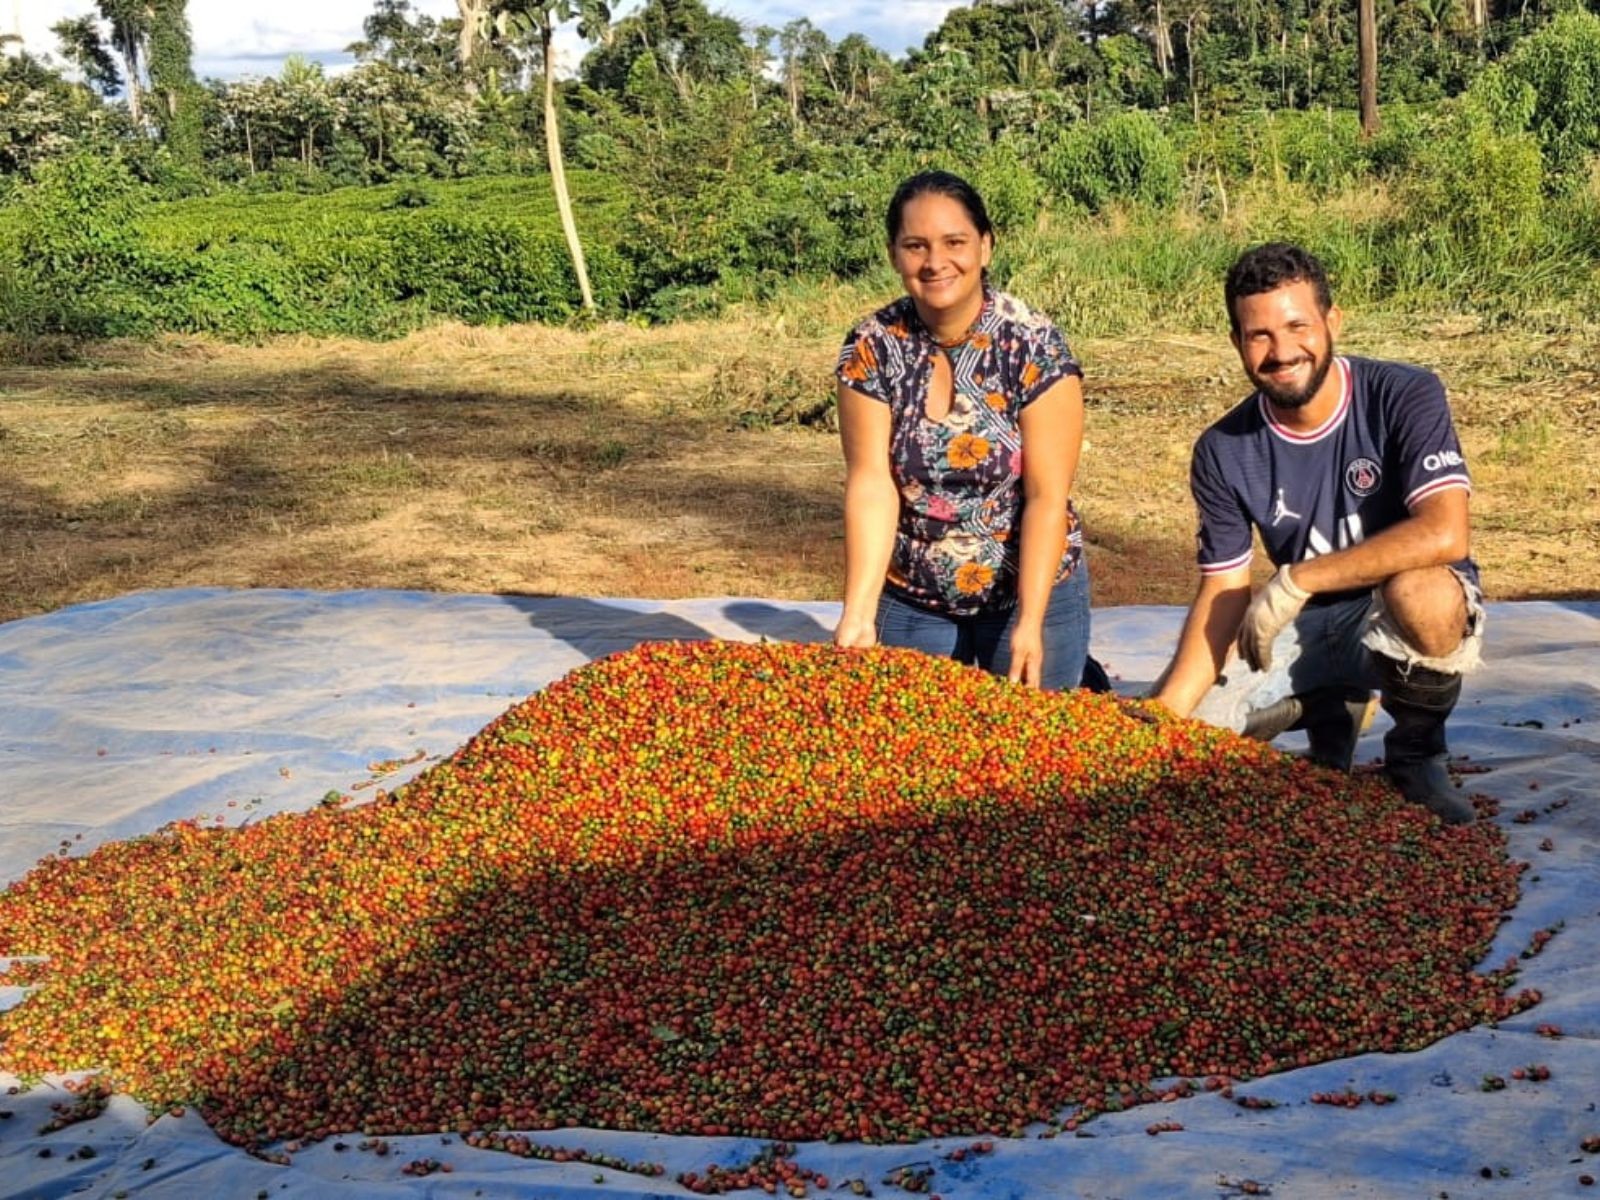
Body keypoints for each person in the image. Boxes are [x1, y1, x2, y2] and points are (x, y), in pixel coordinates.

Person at [1151, 242, 1484, 824]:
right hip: (1300, 627)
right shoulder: (1222, 449)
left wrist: (1296, 579)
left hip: (1384, 618)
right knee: (1197, 732)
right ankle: (1327, 708)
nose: (1282, 353)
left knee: (1422, 591)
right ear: (1236, 343)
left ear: (1332, 322)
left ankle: (1417, 752)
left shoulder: (1404, 395)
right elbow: (1225, 588)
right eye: (1258, 336)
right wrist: (1165, 718)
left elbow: (1445, 532)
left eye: (1297, 326)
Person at [832, 169, 1106, 692]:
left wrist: (1029, 623)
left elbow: (1047, 498)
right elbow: (871, 482)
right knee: (913, 745)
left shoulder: (1031, 344)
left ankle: (1080, 675)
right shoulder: (873, 346)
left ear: (985, 246)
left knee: (1034, 742)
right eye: (916, 246)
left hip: (1022, 587)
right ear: (894, 254)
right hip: (914, 587)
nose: (935, 262)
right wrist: (858, 612)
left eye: (954, 242)